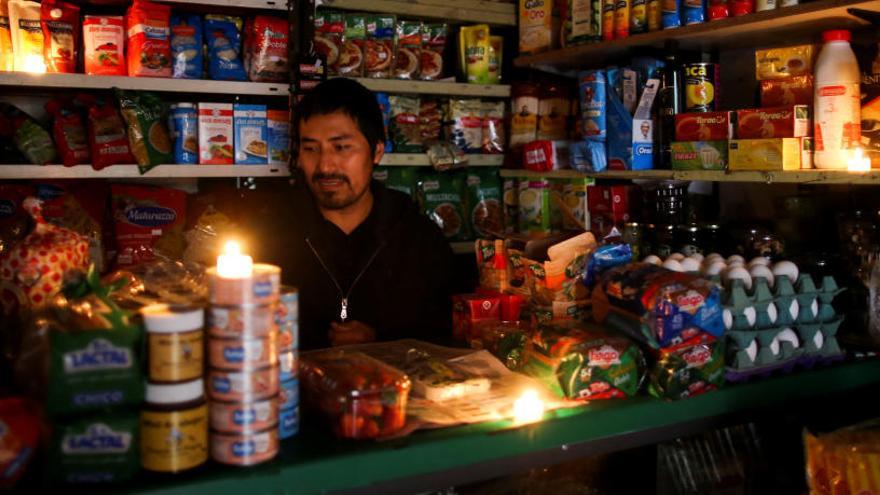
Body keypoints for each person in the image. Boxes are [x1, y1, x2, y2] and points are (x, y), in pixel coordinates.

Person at [255, 78, 455, 350]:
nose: (325, 166)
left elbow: (448, 332)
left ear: (376, 152)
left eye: (341, 147)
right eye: (311, 148)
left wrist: (380, 340)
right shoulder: (268, 236)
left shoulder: (417, 238)